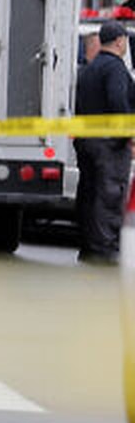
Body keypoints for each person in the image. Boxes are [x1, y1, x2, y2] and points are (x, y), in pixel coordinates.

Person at [74, 20, 135, 264]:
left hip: (86, 140)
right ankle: (105, 250)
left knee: (88, 193)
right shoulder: (116, 69)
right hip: (109, 144)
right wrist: (127, 135)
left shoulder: (89, 68)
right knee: (109, 195)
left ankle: (89, 247)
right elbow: (118, 102)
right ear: (120, 41)